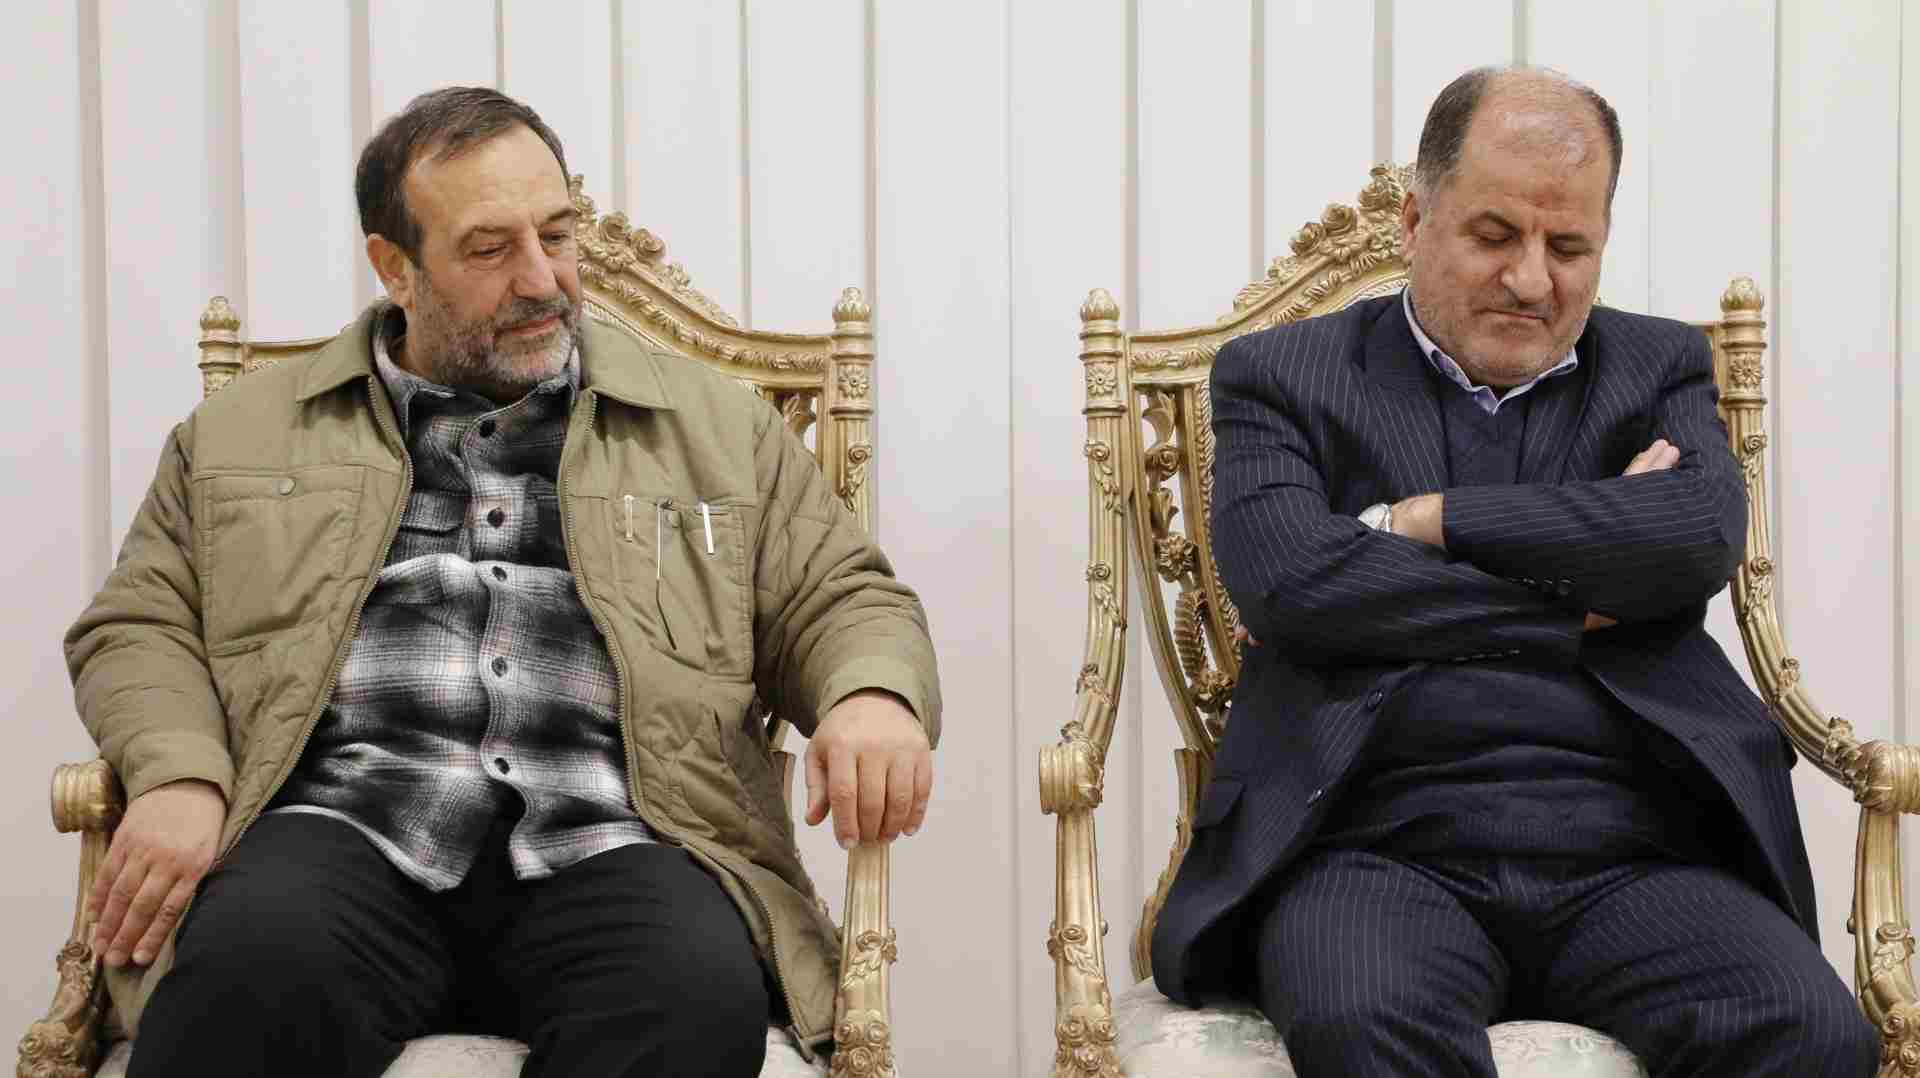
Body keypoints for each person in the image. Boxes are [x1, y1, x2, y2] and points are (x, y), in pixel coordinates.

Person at [67, 86, 941, 1078]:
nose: (543, 280)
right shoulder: (242, 434)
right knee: (247, 979)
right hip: (345, 827)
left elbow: (840, 595)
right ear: (395, 267)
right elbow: (140, 620)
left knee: (691, 998)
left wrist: (871, 693)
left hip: (621, 831)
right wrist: (179, 771)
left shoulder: (717, 429)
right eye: (490, 250)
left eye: (557, 235)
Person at [1150, 66, 1878, 1077]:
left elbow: (1695, 539)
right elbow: (1293, 584)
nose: (1532, 281)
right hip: (1370, 846)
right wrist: (1576, 595)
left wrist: (1428, 522)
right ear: (1415, 221)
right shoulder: (1281, 377)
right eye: (1495, 236)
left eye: (1568, 248)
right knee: (1367, 1024)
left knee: (1813, 1033)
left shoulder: (1659, 366)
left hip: (1636, 852)